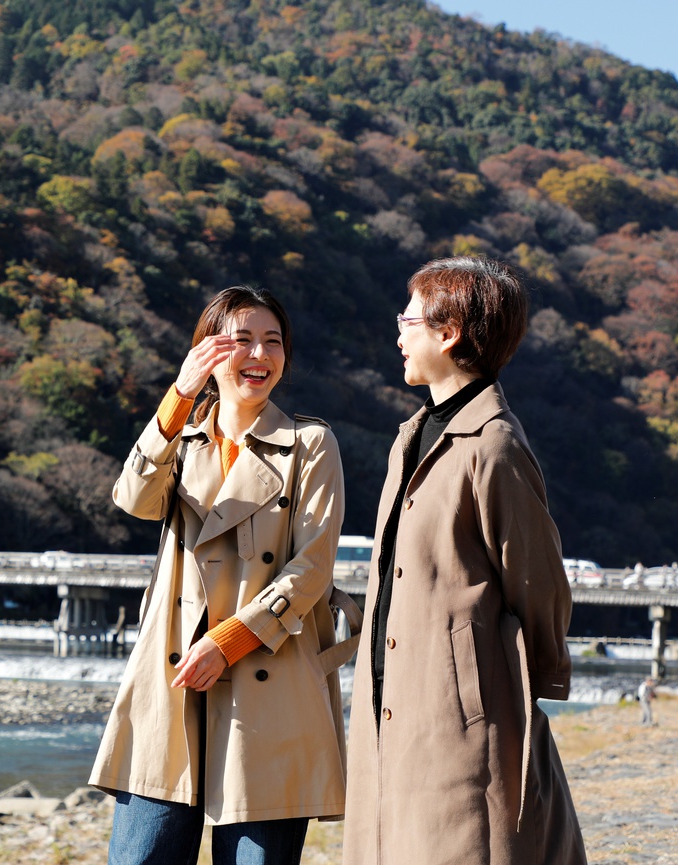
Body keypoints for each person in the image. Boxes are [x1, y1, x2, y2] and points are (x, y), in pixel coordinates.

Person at [90, 285, 355, 865]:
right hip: (174, 678)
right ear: (207, 353)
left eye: (273, 342)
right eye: (242, 340)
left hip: (269, 679)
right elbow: (132, 498)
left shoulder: (309, 443)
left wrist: (229, 639)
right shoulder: (179, 438)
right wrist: (177, 397)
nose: (259, 355)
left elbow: (312, 568)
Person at [342, 258, 586, 864]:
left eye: (408, 320)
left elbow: (540, 584)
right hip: (392, 687)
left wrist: (511, 683)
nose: (398, 334)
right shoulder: (412, 435)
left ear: (448, 333)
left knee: (461, 841)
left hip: (459, 705)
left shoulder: (494, 444)